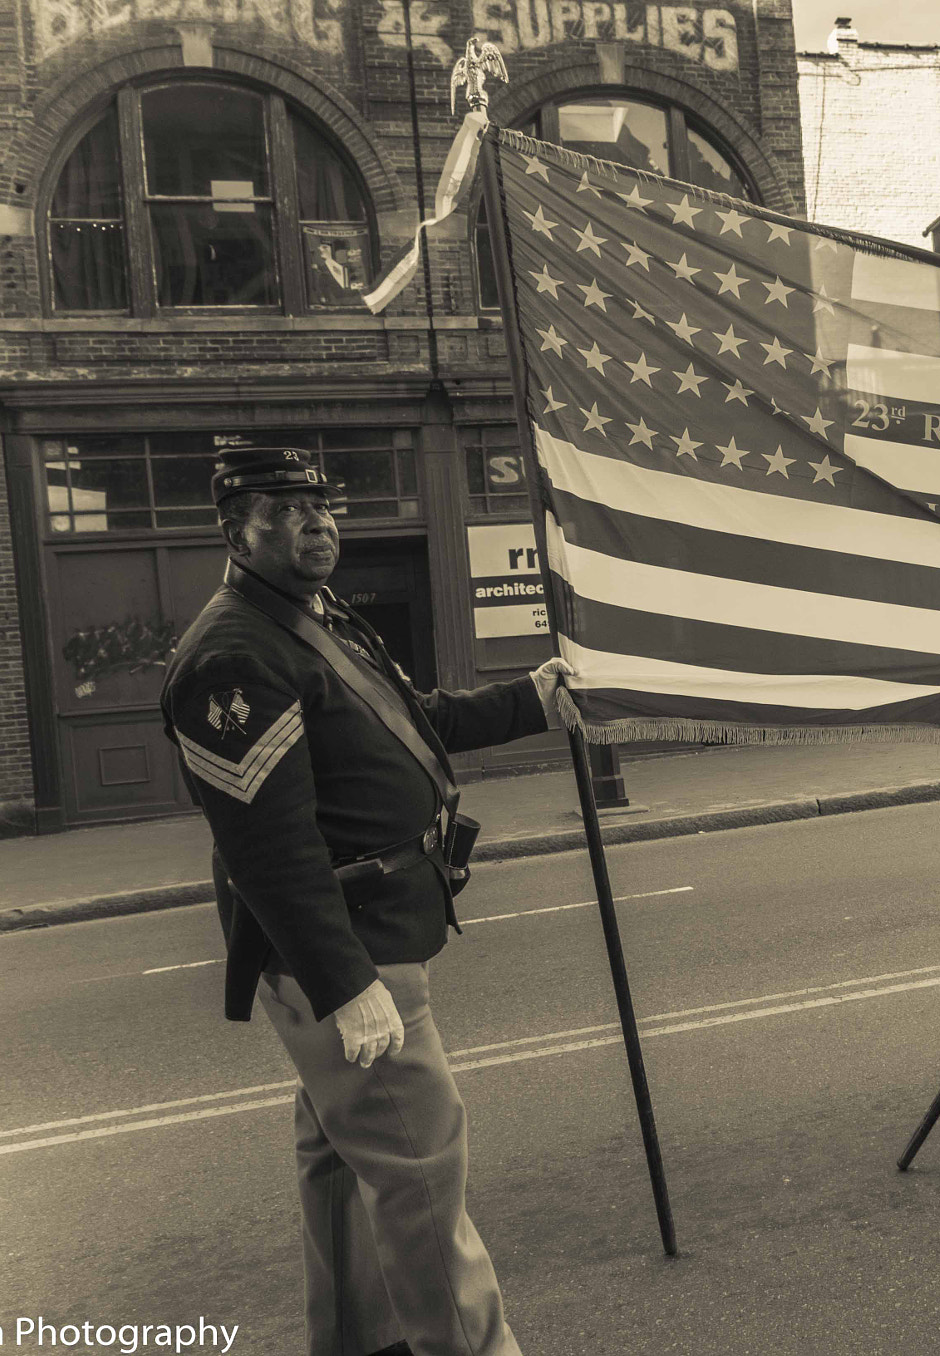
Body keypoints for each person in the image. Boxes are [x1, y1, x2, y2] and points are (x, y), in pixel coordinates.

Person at [160, 448, 575, 1356]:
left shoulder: (315, 619)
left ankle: (360, 1339)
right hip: (343, 947)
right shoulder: (232, 657)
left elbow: (412, 720)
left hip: (375, 932)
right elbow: (267, 851)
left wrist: (530, 702)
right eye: (286, 511)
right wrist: (347, 984)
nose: (317, 524)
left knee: (346, 1161)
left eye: (322, 505)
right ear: (237, 532)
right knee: (421, 1169)